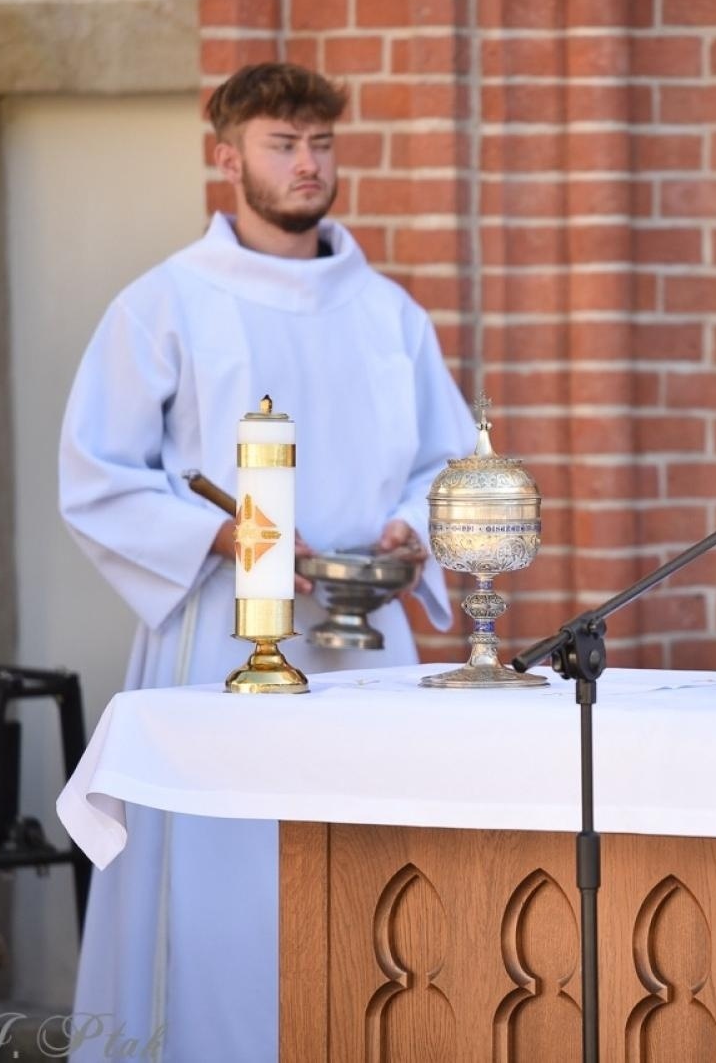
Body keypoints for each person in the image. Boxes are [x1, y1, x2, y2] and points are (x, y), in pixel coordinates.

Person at [58, 63, 476, 1061]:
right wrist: (222, 533)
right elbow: (97, 471)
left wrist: (413, 526)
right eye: (281, 145)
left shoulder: (385, 313)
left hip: (365, 641)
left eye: (320, 143)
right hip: (220, 638)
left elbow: (447, 460)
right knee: (221, 889)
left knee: (365, 870)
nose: (306, 164)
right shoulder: (165, 304)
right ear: (225, 155)